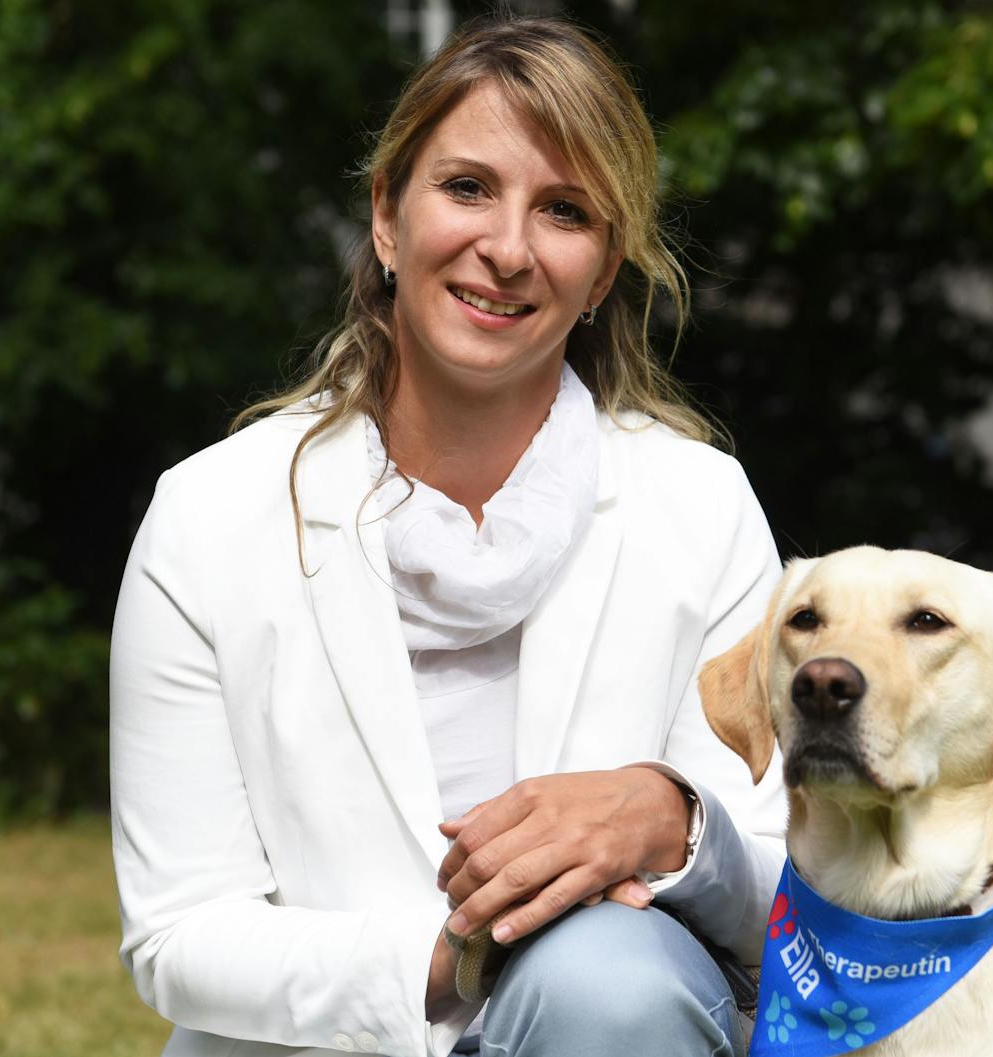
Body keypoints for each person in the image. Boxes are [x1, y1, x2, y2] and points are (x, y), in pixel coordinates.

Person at [108, 18, 787, 1057]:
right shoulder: (208, 516)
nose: (507, 250)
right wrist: (465, 951)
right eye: (467, 188)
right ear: (385, 217)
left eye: (564, 212)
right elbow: (179, 933)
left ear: (603, 272)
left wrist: (670, 823)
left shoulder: (701, 505)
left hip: (613, 1034)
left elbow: (789, 903)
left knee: (608, 984)